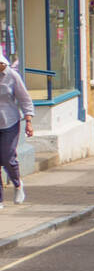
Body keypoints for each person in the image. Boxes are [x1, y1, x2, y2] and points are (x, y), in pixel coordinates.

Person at [0, 47, 34, 208]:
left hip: (9, 122)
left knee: (7, 158)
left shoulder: (12, 76)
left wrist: (28, 120)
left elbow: (25, 99)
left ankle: (18, 184)